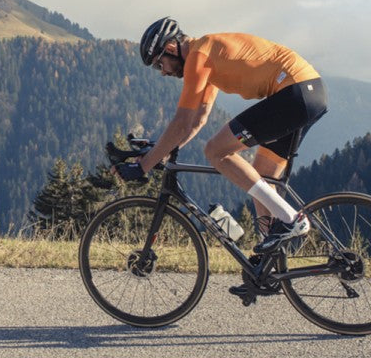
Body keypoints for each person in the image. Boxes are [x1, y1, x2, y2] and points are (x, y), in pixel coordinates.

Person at [117, 17, 328, 256]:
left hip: (295, 92)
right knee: (262, 178)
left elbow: (181, 122)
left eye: (159, 64)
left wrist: (144, 165)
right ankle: (267, 261)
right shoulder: (207, 53)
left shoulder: (199, 56)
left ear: (170, 48)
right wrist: (163, 151)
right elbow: (198, 119)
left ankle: (292, 219)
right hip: (308, 93)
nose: (163, 72)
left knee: (215, 150)